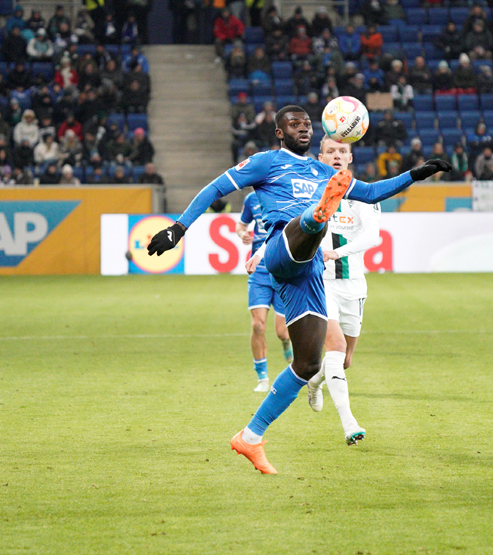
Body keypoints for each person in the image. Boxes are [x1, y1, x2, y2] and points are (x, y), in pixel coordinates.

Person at [146, 106, 451, 474]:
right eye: (294, 124)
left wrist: (416, 174)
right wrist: (178, 228)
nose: (303, 128)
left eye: (307, 124)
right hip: (279, 248)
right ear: (279, 132)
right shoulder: (266, 162)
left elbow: (370, 192)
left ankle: (250, 437)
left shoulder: (325, 172)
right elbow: (216, 187)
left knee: (308, 364)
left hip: (306, 274)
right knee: (307, 225)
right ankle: (318, 214)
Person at [308, 136, 379, 445]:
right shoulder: (310, 193)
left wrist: (338, 252)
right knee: (334, 347)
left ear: (350, 157)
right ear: (321, 157)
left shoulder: (363, 196)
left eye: (342, 151)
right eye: (330, 152)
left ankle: (315, 381)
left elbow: (373, 236)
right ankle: (349, 424)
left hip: (354, 285)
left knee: (345, 359)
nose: (337, 156)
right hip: (320, 284)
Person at [236, 191, 294, 393]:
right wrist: (242, 233)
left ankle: (287, 343)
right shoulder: (251, 199)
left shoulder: (284, 193)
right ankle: (262, 378)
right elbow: (241, 224)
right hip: (258, 271)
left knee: (282, 331)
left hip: (281, 269)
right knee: (258, 325)